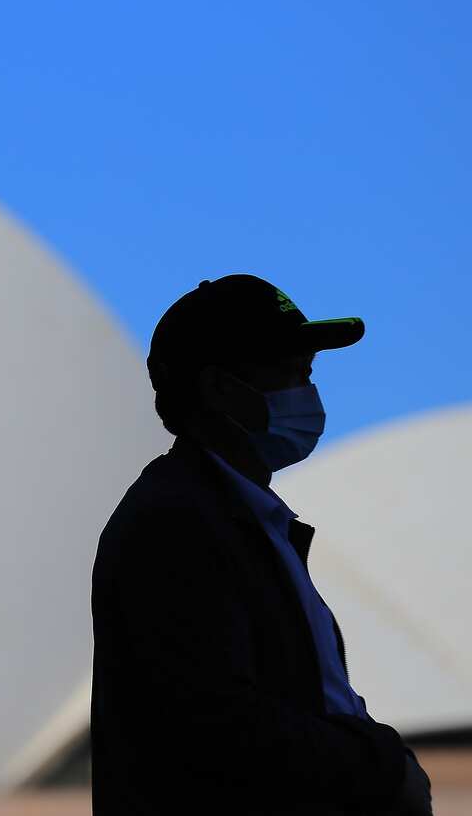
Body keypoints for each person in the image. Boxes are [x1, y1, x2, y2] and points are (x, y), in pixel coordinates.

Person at [90, 275, 432, 815]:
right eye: (288, 372)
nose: (308, 392)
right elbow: (217, 726)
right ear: (220, 389)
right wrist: (383, 767)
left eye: (309, 371)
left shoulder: (241, 520)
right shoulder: (176, 526)